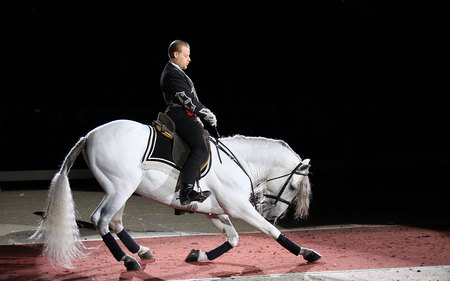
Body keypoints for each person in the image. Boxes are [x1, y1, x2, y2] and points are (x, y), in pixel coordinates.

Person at [160, 40, 216, 205]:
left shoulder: (175, 72)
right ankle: (186, 191)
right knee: (200, 148)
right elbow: (186, 99)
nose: (189, 59)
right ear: (176, 55)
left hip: (184, 113)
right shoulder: (172, 73)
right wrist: (206, 113)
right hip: (179, 114)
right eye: (186, 55)